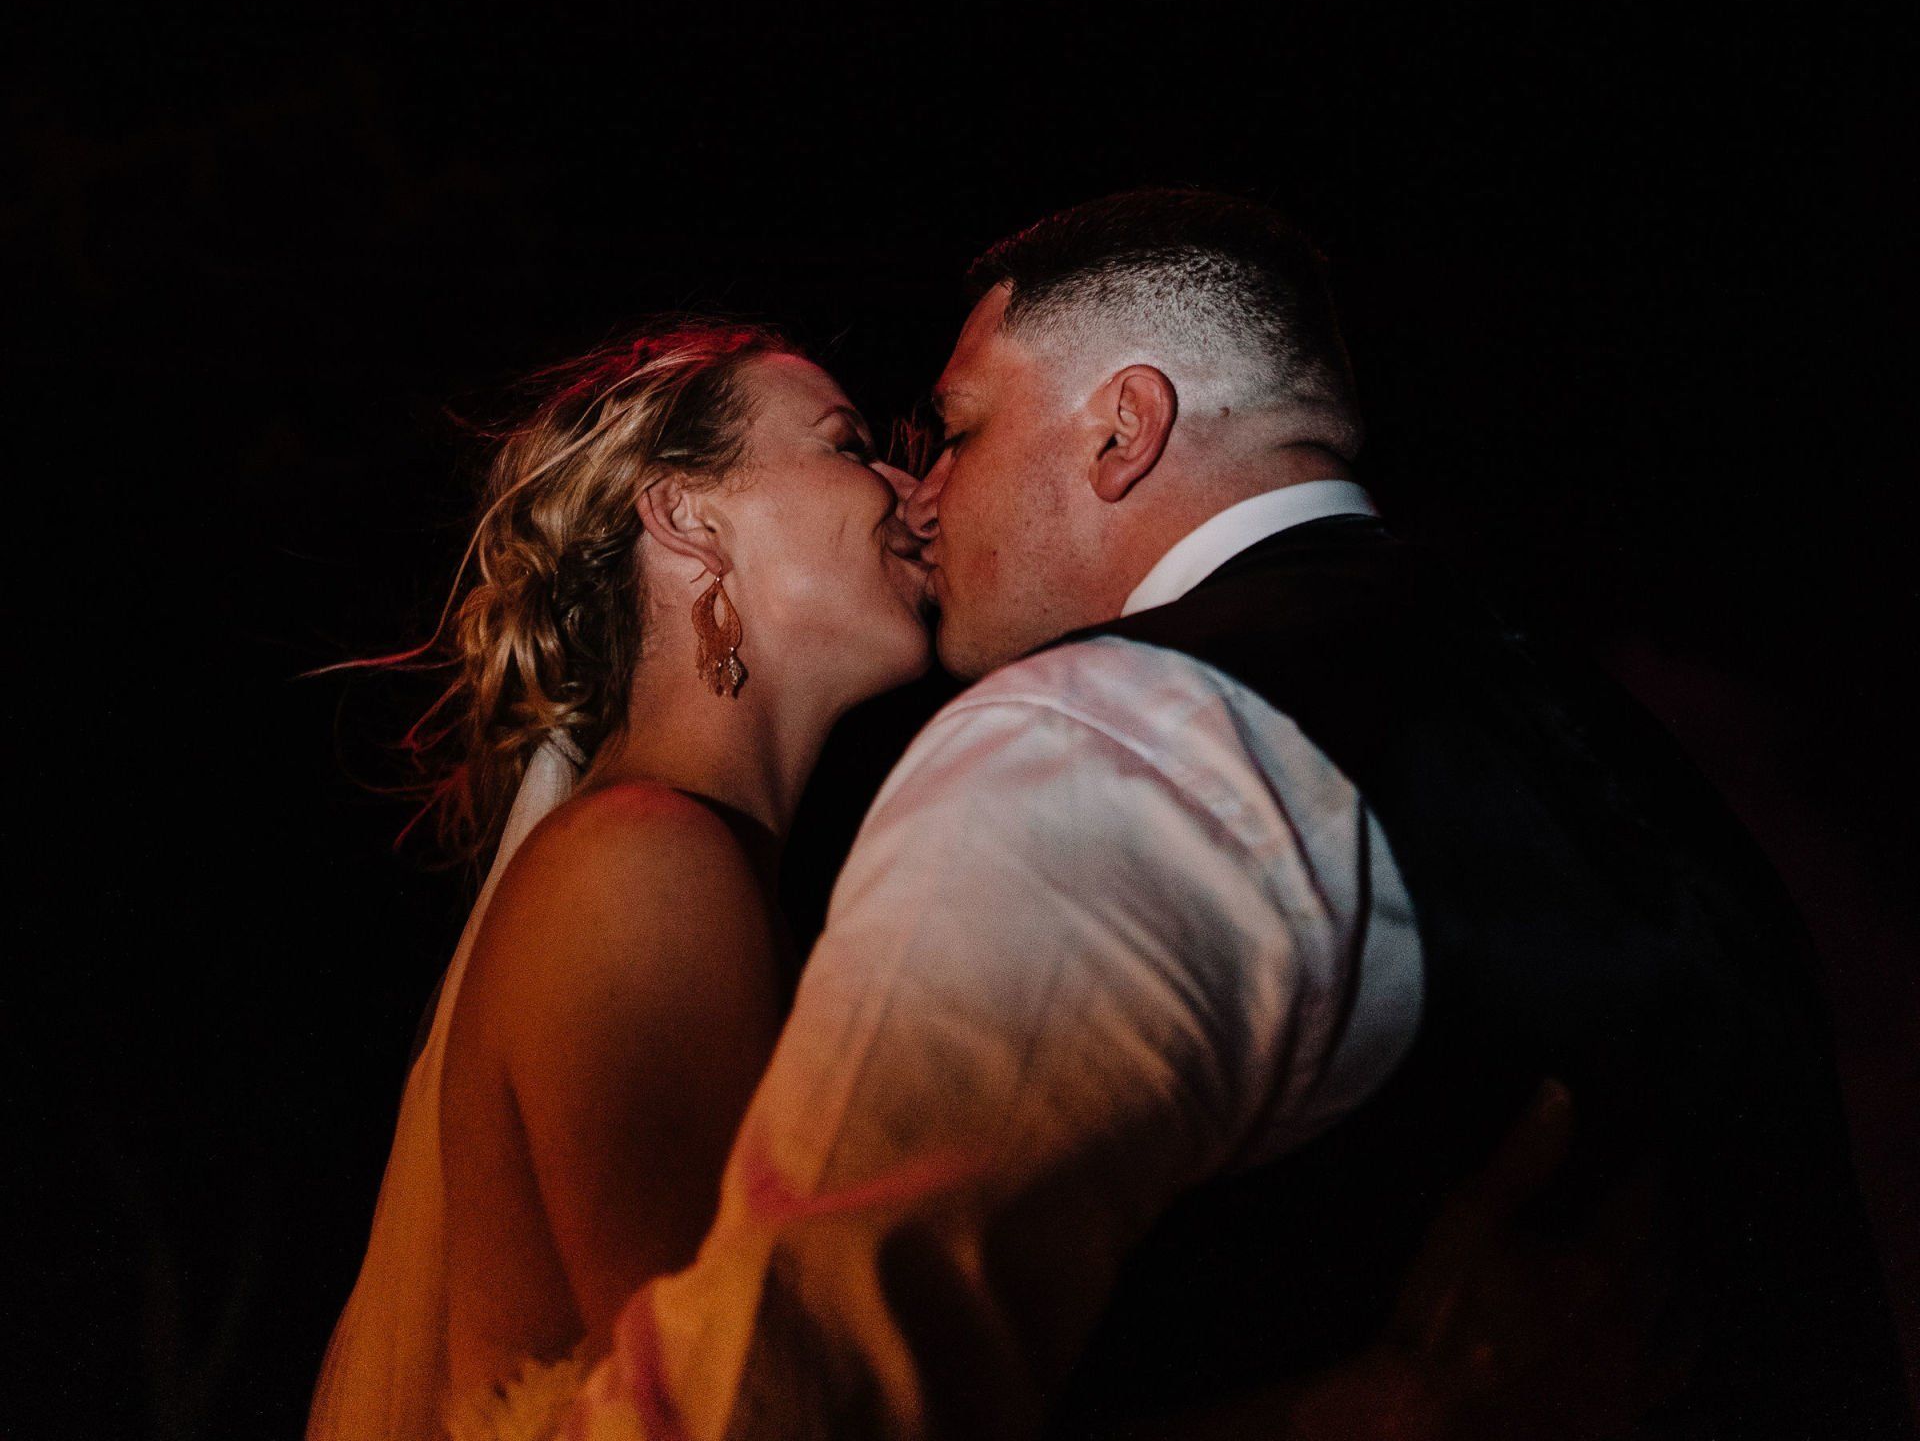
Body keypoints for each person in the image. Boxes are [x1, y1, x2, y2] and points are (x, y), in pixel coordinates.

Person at [567, 189, 1909, 1441]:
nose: (926, 494)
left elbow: (799, 1401)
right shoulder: (1614, 743)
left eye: (960, 429)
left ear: (1120, 429)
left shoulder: (1099, 738)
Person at [306, 319, 932, 1441]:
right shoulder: (640, 865)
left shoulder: (688, 859)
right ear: (689, 515)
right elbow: (745, 1405)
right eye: (848, 444)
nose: (910, 487)